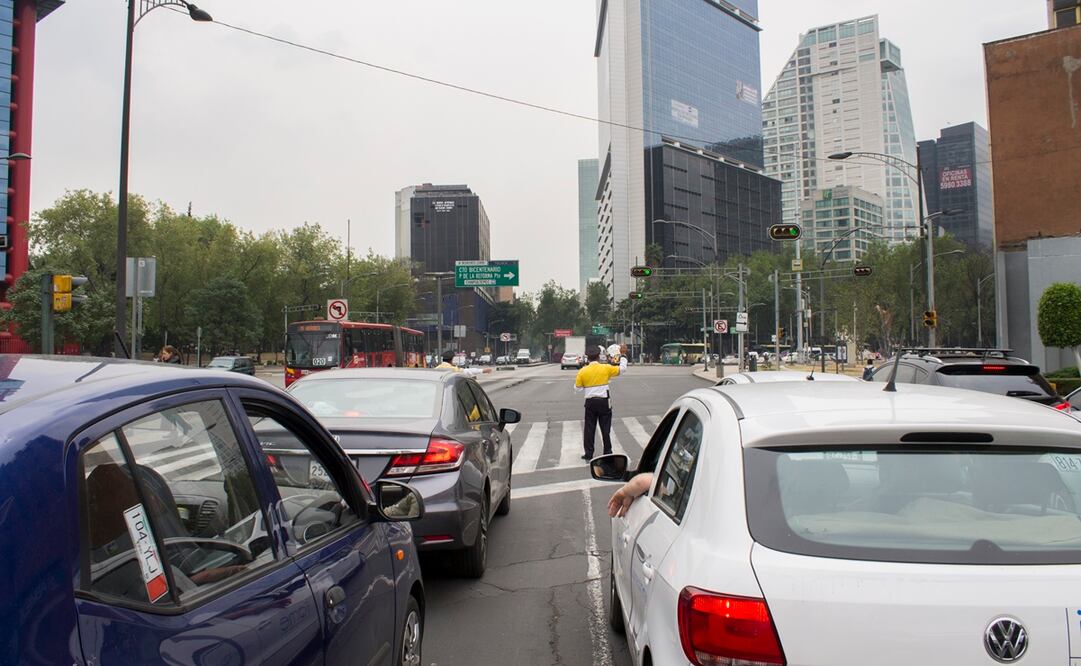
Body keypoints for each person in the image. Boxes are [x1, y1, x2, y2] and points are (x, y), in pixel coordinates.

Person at [574, 347, 628, 461]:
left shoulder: (583, 371)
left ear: (588, 358)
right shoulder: (605, 368)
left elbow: (577, 388)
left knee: (589, 429)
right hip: (604, 401)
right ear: (599, 357)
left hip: (590, 402)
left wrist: (587, 386)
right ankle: (607, 452)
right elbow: (622, 369)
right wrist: (623, 356)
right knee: (605, 428)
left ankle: (589, 454)